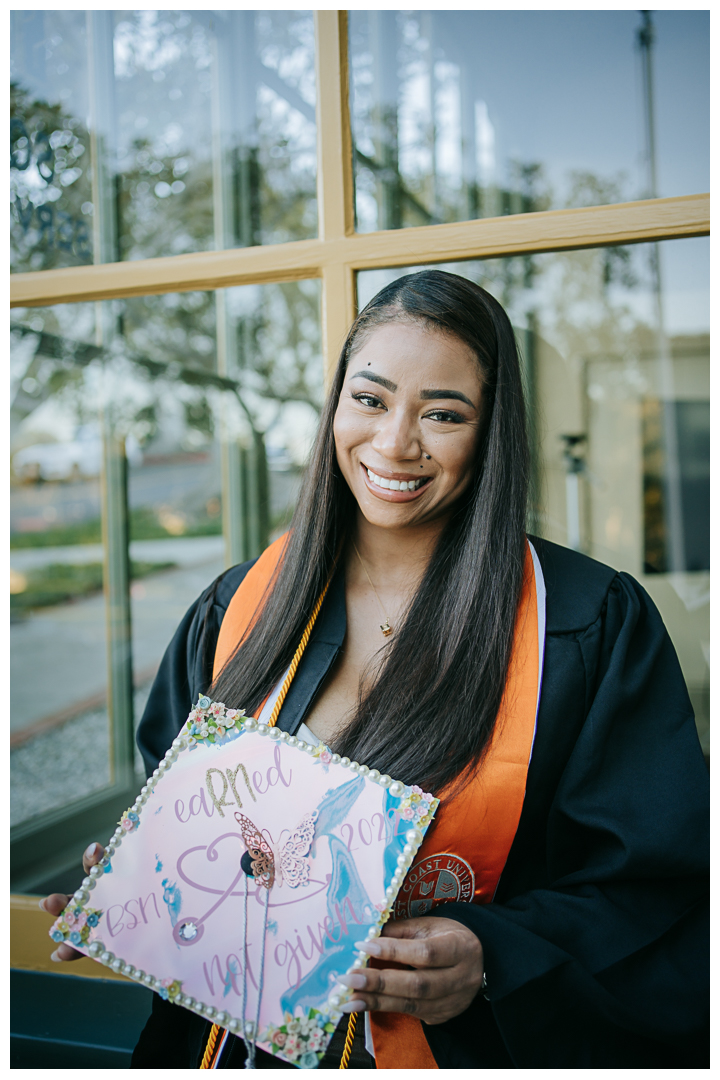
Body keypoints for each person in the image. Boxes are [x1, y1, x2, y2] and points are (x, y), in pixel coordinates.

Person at [42, 271, 709, 1068]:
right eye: (370, 400)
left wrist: (490, 954)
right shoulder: (241, 607)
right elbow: (186, 814)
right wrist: (139, 889)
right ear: (335, 407)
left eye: (443, 413)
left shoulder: (584, 624)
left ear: (491, 430)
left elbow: (658, 893)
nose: (395, 443)